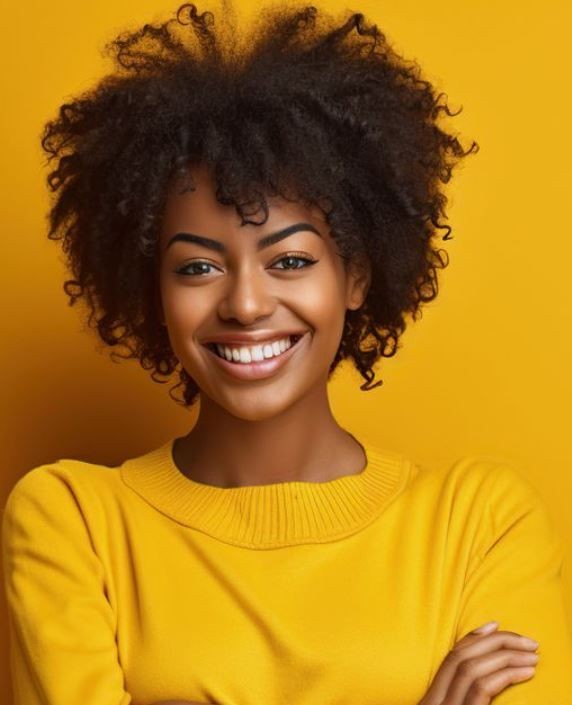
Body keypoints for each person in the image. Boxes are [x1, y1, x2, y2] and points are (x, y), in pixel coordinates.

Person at [2, 2, 572, 704]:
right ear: (151, 288)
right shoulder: (74, 522)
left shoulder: (479, 521)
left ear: (356, 275)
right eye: (197, 267)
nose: (244, 303)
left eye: (292, 261)